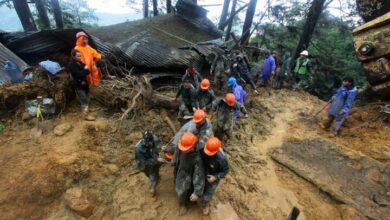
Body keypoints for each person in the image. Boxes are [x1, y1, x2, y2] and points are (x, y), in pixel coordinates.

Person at [174, 132, 205, 215]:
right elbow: (177, 154)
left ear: (193, 146)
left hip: (191, 172)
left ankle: (192, 198)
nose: (184, 150)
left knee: (190, 188)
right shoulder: (181, 145)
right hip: (181, 170)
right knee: (181, 190)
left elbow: (199, 175)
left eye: (187, 149)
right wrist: (174, 161)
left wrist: (197, 193)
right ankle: (182, 205)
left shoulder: (197, 158)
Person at [201, 137, 229, 215]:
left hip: (214, 174)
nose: (207, 152)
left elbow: (225, 171)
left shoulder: (222, 159)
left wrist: (215, 177)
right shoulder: (206, 146)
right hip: (205, 169)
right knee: (200, 185)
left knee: (209, 192)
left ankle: (205, 204)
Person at [68, 49, 95, 121]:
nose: (80, 57)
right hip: (78, 85)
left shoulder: (80, 62)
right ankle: (85, 115)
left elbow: (88, 71)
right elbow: (78, 74)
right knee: (83, 99)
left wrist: (84, 71)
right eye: (78, 56)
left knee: (86, 97)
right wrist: (84, 70)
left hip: (85, 84)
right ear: (73, 56)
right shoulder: (71, 65)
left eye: (80, 56)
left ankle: (86, 110)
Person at [135, 131, 161, 195]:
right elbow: (144, 162)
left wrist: (161, 147)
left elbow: (158, 143)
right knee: (151, 174)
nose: (151, 143)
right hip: (144, 163)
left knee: (156, 169)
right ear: (144, 140)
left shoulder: (154, 138)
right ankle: (152, 188)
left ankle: (156, 176)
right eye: (149, 142)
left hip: (153, 156)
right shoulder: (138, 149)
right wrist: (156, 160)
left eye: (151, 141)